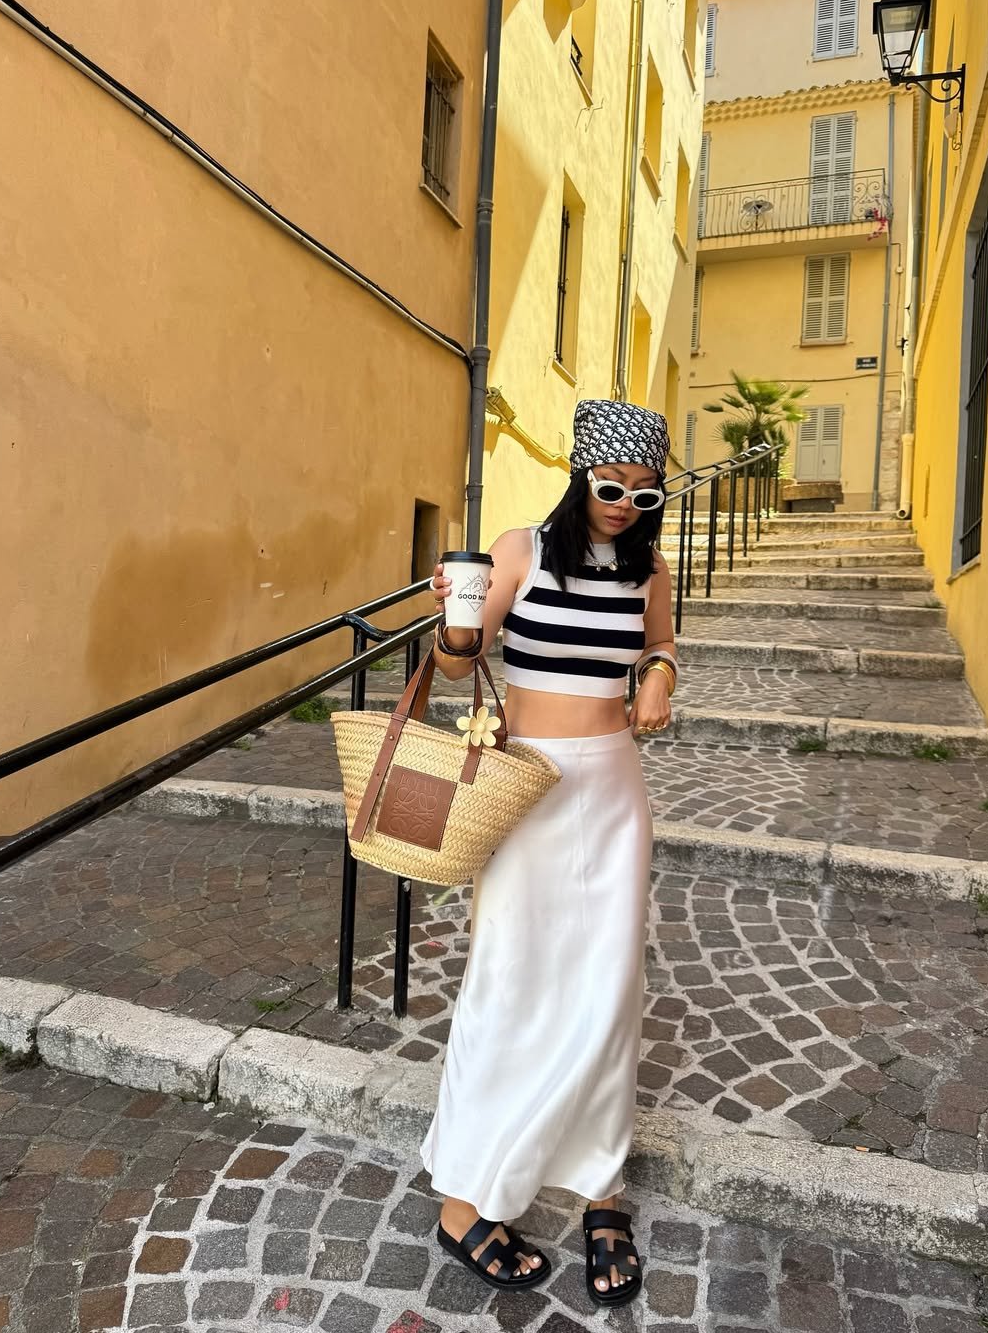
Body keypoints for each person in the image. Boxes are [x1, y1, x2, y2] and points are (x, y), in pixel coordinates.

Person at [419, 399, 679, 1308]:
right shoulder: (521, 550)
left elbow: (659, 644)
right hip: (526, 786)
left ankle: (602, 1189)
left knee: (610, 988)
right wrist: (456, 620)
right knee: (510, 977)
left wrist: (658, 676)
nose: (626, 505)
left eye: (646, 494)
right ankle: (463, 1201)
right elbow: (460, 660)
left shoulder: (651, 568)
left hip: (612, 791)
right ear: (581, 475)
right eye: (612, 487)